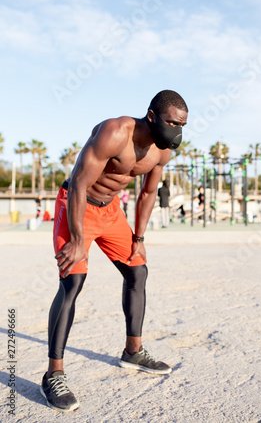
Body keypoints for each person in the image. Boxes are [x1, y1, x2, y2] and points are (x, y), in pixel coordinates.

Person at [40, 90, 188, 412]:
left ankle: (133, 351)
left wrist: (139, 237)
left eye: (182, 125)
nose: (176, 131)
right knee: (72, 283)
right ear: (151, 116)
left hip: (111, 212)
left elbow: (148, 193)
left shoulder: (161, 153)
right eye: (171, 122)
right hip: (77, 206)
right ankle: (53, 374)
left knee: (138, 270)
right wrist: (78, 239)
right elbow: (79, 181)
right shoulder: (115, 132)